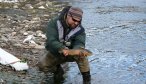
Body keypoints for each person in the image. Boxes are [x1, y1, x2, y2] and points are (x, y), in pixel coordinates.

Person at [38, 6, 91, 84]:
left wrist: (78, 49)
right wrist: (62, 48)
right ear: (68, 16)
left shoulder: (80, 29)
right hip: (56, 52)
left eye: (78, 21)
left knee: (82, 56)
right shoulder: (54, 23)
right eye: (74, 20)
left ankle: (87, 79)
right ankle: (57, 70)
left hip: (71, 53)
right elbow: (51, 41)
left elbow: (80, 42)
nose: (76, 23)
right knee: (42, 65)